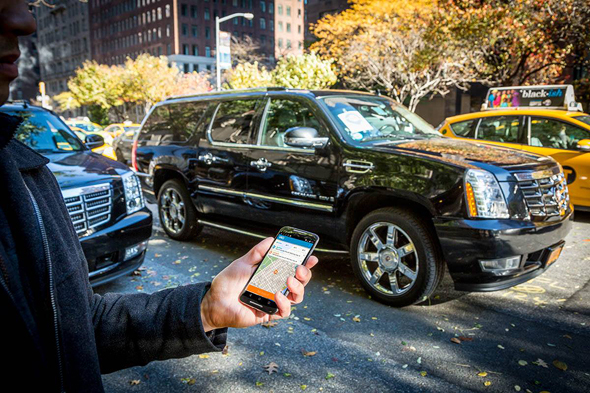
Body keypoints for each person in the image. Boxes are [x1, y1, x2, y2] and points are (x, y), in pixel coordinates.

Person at [0, 2, 317, 391]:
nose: (23, 21)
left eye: (26, 1)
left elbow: (76, 331)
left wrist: (206, 310)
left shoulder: (27, 176)